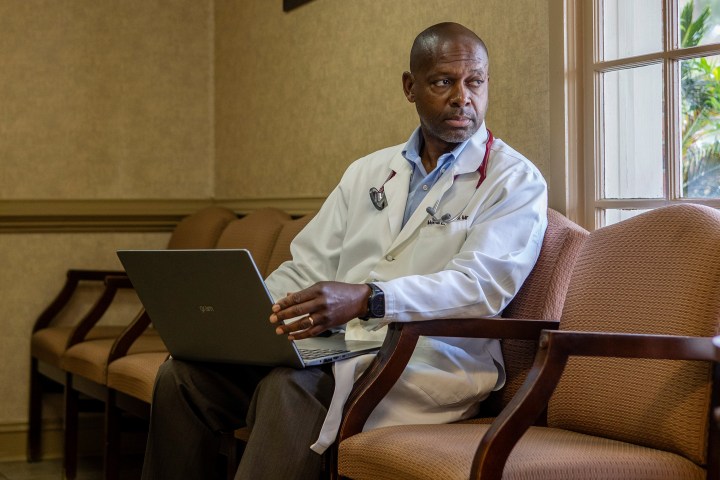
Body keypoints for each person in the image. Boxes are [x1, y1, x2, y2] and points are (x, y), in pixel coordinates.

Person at [141, 21, 547, 480]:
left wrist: (370, 298)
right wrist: (250, 324)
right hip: (336, 348)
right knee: (183, 378)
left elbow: (482, 287)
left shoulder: (514, 180)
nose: (462, 97)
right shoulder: (367, 173)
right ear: (409, 87)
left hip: (426, 360)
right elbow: (308, 266)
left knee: (289, 386)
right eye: (442, 82)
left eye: (475, 82)